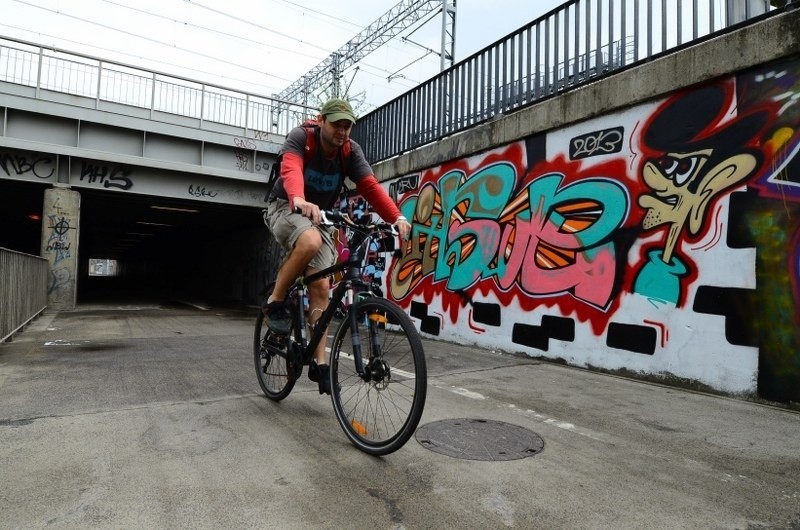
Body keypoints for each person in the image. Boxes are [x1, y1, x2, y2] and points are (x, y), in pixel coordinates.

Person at [263, 98, 411, 395]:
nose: (342, 131)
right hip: (285, 207)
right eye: (337, 124)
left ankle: (319, 363)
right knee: (310, 239)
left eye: (347, 126)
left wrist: (396, 216)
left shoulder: (350, 152)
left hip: (320, 216)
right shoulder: (302, 138)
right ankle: (275, 302)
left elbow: (369, 186)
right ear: (321, 120)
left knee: (321, 286)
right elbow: (290, 169)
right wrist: (299, 199)